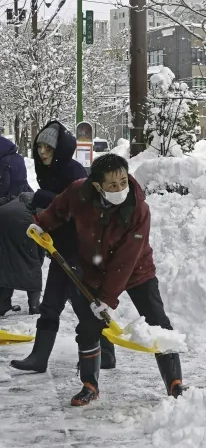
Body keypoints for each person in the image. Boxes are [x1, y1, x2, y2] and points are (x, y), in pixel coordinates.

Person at [28, 153, 183, 406]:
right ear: (97, 185)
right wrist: (41, 223)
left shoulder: (138, 208)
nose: (120, 188)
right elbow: (58, 208)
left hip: (136, 269)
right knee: (89, 325)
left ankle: (175, 382)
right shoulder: (79, 192)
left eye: (123, 181)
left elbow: (127, 257)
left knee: (157, 320)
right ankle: (89, 384)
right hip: (94, 268)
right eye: (112, 185)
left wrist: (107, 299)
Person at [10, 121, 117, 373]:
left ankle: (107, 353)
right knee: (51, 305)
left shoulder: (74, 170)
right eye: (39, 147)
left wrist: (39, 198)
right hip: (60, 248)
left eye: (48, 147)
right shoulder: (48, 171)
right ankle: (39, 358)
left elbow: (79, 206)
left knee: (84, 305)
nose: (43, 152)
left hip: (80, 250)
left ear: (59, 149)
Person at [0, 135, 41, 315]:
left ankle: (3, 305)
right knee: (31, 257)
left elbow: (4, 185)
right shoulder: (16, 156)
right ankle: (33, 305)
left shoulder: (3, 162)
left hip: (9, 207)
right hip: (25, 202)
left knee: (5, 259)